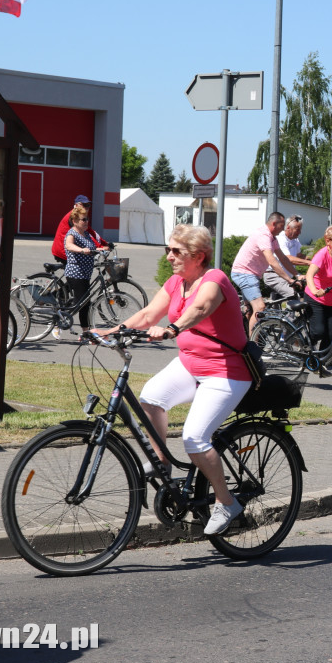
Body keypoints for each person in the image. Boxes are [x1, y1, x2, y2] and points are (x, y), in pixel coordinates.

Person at [107, 224, 252, 535]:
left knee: (194, 439)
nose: (169, 256)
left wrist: (173, 328)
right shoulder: (176, 282)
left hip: (225, 371)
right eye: (167, 250)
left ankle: (226, 502)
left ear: (199, 256)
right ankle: (162, 463)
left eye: (176, 252)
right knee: (151, 398)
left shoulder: (215, 279)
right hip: (190, 364)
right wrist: (109, 333)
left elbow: (201, 308)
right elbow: (147, 315)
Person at [231, 212, 304, 333]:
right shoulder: (263, 236)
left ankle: (244, 336)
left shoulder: (272, 238)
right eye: (281, 227)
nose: (282, 230)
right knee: (260, 307)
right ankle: (252, 347)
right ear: (274, 224)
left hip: (251, 274)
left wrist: (296, 275)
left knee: (250, 310)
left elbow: (283, 259)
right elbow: (272, 261)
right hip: (244, 273)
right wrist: (290, 280)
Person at [304, 225, 332, 379]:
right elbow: (309, 275)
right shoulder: (321, 255)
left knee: (330, 335)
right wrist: (315, 290)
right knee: (318, 331)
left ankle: (319, 363)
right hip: (316, 298)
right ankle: (302, 344)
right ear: (327, 241)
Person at [60, 203, 109, 339]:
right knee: (83, 304)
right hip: (76, 273)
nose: (87, 222)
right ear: (75, 221)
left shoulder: (86, 234)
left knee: (80, 302)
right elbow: (69, 245)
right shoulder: (72, 233)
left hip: (85, 273)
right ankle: (85, 333)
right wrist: (81, 250)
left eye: (87, 219)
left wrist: (100, 249)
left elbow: (94, 246)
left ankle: (61, 316)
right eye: (84, 219)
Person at [262, 215, 311, 302]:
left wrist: (313, 259)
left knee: (278, 305)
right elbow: (288, 259)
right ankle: (290, 316)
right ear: (288, 228)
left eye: (300, 229)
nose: (300, 232)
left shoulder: (295, 240)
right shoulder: (281, 239)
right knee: (294, 296)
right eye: (298, 229)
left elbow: (299, 255)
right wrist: (310, 264)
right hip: (274, 275)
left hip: (285, 276)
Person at [52, 195, 108, 264]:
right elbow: (86, 235)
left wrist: (105, 243)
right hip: (64, 250)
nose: (87, 207)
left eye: (88, 205)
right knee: (86, 261)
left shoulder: (82, 216)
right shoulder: (74, 217)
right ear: (76, 205)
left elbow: (91, 232)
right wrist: (100, 247)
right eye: (84, 205)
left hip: (67, 248)